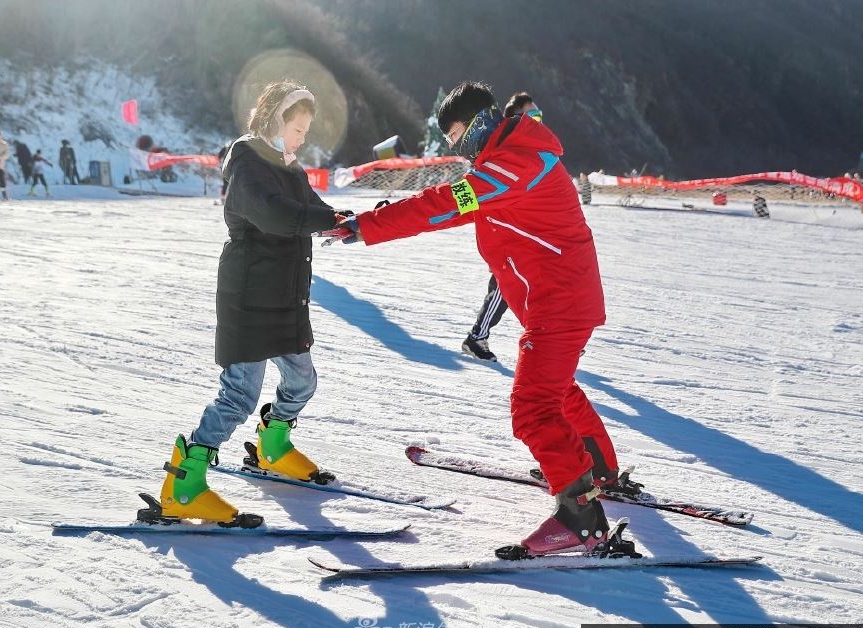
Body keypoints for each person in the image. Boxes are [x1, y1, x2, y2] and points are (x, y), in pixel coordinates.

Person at [331, 81, 622, 556]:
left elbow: (447, 204)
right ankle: (597, 471)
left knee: (533, 408)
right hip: (556, 301)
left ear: (481, 122)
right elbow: (454, 200)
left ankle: (582, 518)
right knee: (557, 389)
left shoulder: (514, 167)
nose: (451, 143)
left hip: (559, 303)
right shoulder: (510, 161)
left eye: (455, 132)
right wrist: (382, 216)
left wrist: (368, 227)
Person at [153, 80, 348, 524]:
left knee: (302, 381)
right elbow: (275, 214)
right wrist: (323, 219)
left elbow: (314, 208)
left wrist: (350, 220)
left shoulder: (289, 167)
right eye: (298, 128)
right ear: (276, 120)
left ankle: (272, 447)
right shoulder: (247, 163)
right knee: (239, 395)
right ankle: (183, 484)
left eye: (305, 130)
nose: (302, 138)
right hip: (249, 294)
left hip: (285, 296)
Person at [461, 92, 542, 362]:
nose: (537, 121)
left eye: (538, 116)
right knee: (503, 289)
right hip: (505, 237)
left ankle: (551, 339)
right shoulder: (500, 153)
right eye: (532, 116)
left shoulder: (532, 148)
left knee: (531, 289)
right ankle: (476, 337)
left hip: (527, 234)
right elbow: (462, 199)